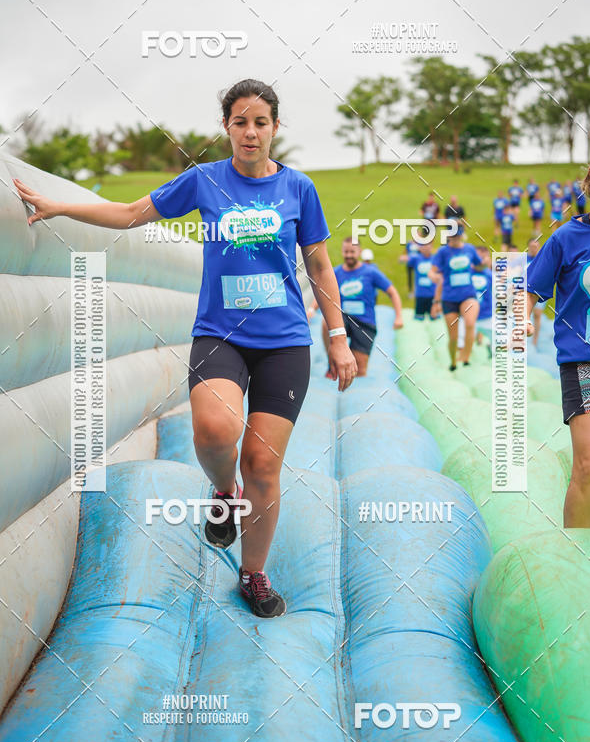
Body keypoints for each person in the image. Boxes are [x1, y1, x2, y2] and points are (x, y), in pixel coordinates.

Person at [13, 78, 358, 618]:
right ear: (226, 127)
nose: (250, 132)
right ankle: (224, 494)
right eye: (240, 122)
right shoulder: (204, 182)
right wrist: (59, 207)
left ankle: (253, 573)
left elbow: (318, 265)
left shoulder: (299, 189)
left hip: (285, 343)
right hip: (220, 335)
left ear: (275, 128)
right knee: (215, 430)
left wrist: (337, 337)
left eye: (260, 122)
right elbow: (129, 214)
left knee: (264, 466)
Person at [526, 152, 590, 528]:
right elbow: (531, 288)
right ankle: (576, 557)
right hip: (585, 360)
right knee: (589, 464)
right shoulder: (568, 237)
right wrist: (522, 319)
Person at [309, 237, 403, 376]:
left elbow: (392, 292)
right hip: (344, 318)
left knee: (359, 371)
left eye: (352, 252)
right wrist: (311, 309)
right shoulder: (336, 273)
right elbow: (324, 292)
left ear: (359, 252)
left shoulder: (371, 272)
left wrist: (399, 317)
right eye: (346, 252)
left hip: (365, 323)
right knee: (326, 322)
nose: (348, 255)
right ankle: (332, 362)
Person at [428, 223, 483, 370]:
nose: (455, 238)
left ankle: (465, 357)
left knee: (470, 323)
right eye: (452, 235)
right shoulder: (443, 252)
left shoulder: (470, 249)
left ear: (462, 234)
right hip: (449, 298)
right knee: (453, 336)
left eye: (457, 235)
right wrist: (435, 277)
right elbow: (432, 271)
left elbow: (479, 265)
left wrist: (485, 264)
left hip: (468, 295)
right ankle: (453, 361)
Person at [408, 239, 439, 321]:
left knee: (434, 319)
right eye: (424, 246)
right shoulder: (416, 259)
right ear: (420, 248)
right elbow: (405, 260)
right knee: (419, 319)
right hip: (420, 294)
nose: (426, 248)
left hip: (432, 295)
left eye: (428, 246)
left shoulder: (435, 259)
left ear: (431, 247)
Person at [472, 245, 493, 358]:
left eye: (484, 258)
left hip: (486, 315)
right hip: (468, 316)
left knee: (500, 340)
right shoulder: (466, 272)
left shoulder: (490, 275)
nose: (481, 261)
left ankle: (491, 350)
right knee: (462, 343)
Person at [526, 238, 547, 347]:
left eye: (536, 247)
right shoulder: (524, 259)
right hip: (525, 292)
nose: (534, 249)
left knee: (537, 314)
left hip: (539, 291)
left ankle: (535, 341)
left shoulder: (543, 260)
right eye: (532, 247)